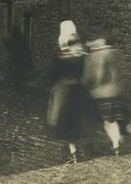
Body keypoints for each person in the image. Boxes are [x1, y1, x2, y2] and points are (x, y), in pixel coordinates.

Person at [82, 37, 131, 156]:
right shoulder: (115, 53)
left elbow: (97, 76)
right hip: (117, 91)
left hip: (102, 93)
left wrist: (88, 86)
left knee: (105, 120)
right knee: (112, 119)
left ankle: (113, 144)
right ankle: (116, 143)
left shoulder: (96, 55)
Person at [46, 20, 87, 164]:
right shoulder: (81, 56)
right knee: (75, 119)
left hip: (63, 91)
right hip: (77, 89)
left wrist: (51, 86)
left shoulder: (60, 57)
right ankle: (73, 147)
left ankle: (73, 151)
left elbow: (52, 75)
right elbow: (83, 73)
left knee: (63, 120)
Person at [5, 25, 32, 91]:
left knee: (16, 75)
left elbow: (13, 50)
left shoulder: (16, 41)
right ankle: (18, 87)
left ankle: (17, 88)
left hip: (17, 61)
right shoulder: (22, 40)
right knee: (18, 75)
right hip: (20, 61)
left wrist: (6, 44)